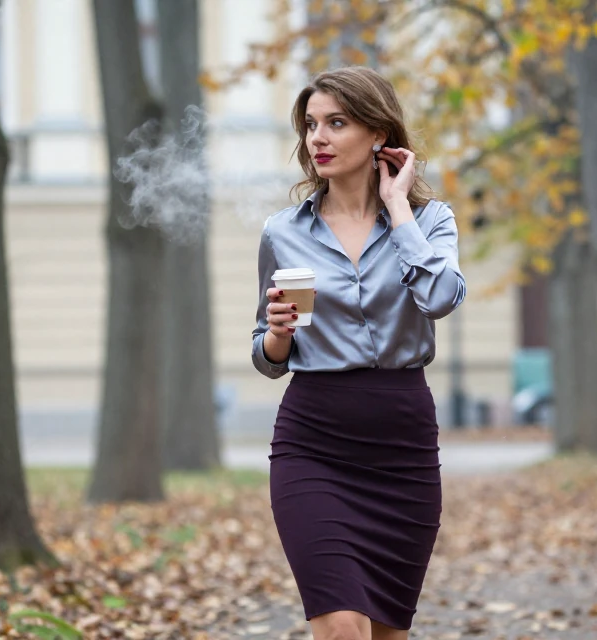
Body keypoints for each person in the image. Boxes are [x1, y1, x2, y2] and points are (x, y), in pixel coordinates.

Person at [250, 66, 466, 640]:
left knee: (387, 631)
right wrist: (276, 335)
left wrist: (398, 210)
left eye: (336, 123)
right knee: (342, 624)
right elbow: (267, 355)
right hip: (313, 441)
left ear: (378, 134)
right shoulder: (283, 232)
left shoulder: (430, 220)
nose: (317, 138)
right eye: (311, 125)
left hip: (403, 447)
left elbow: (442, 298)